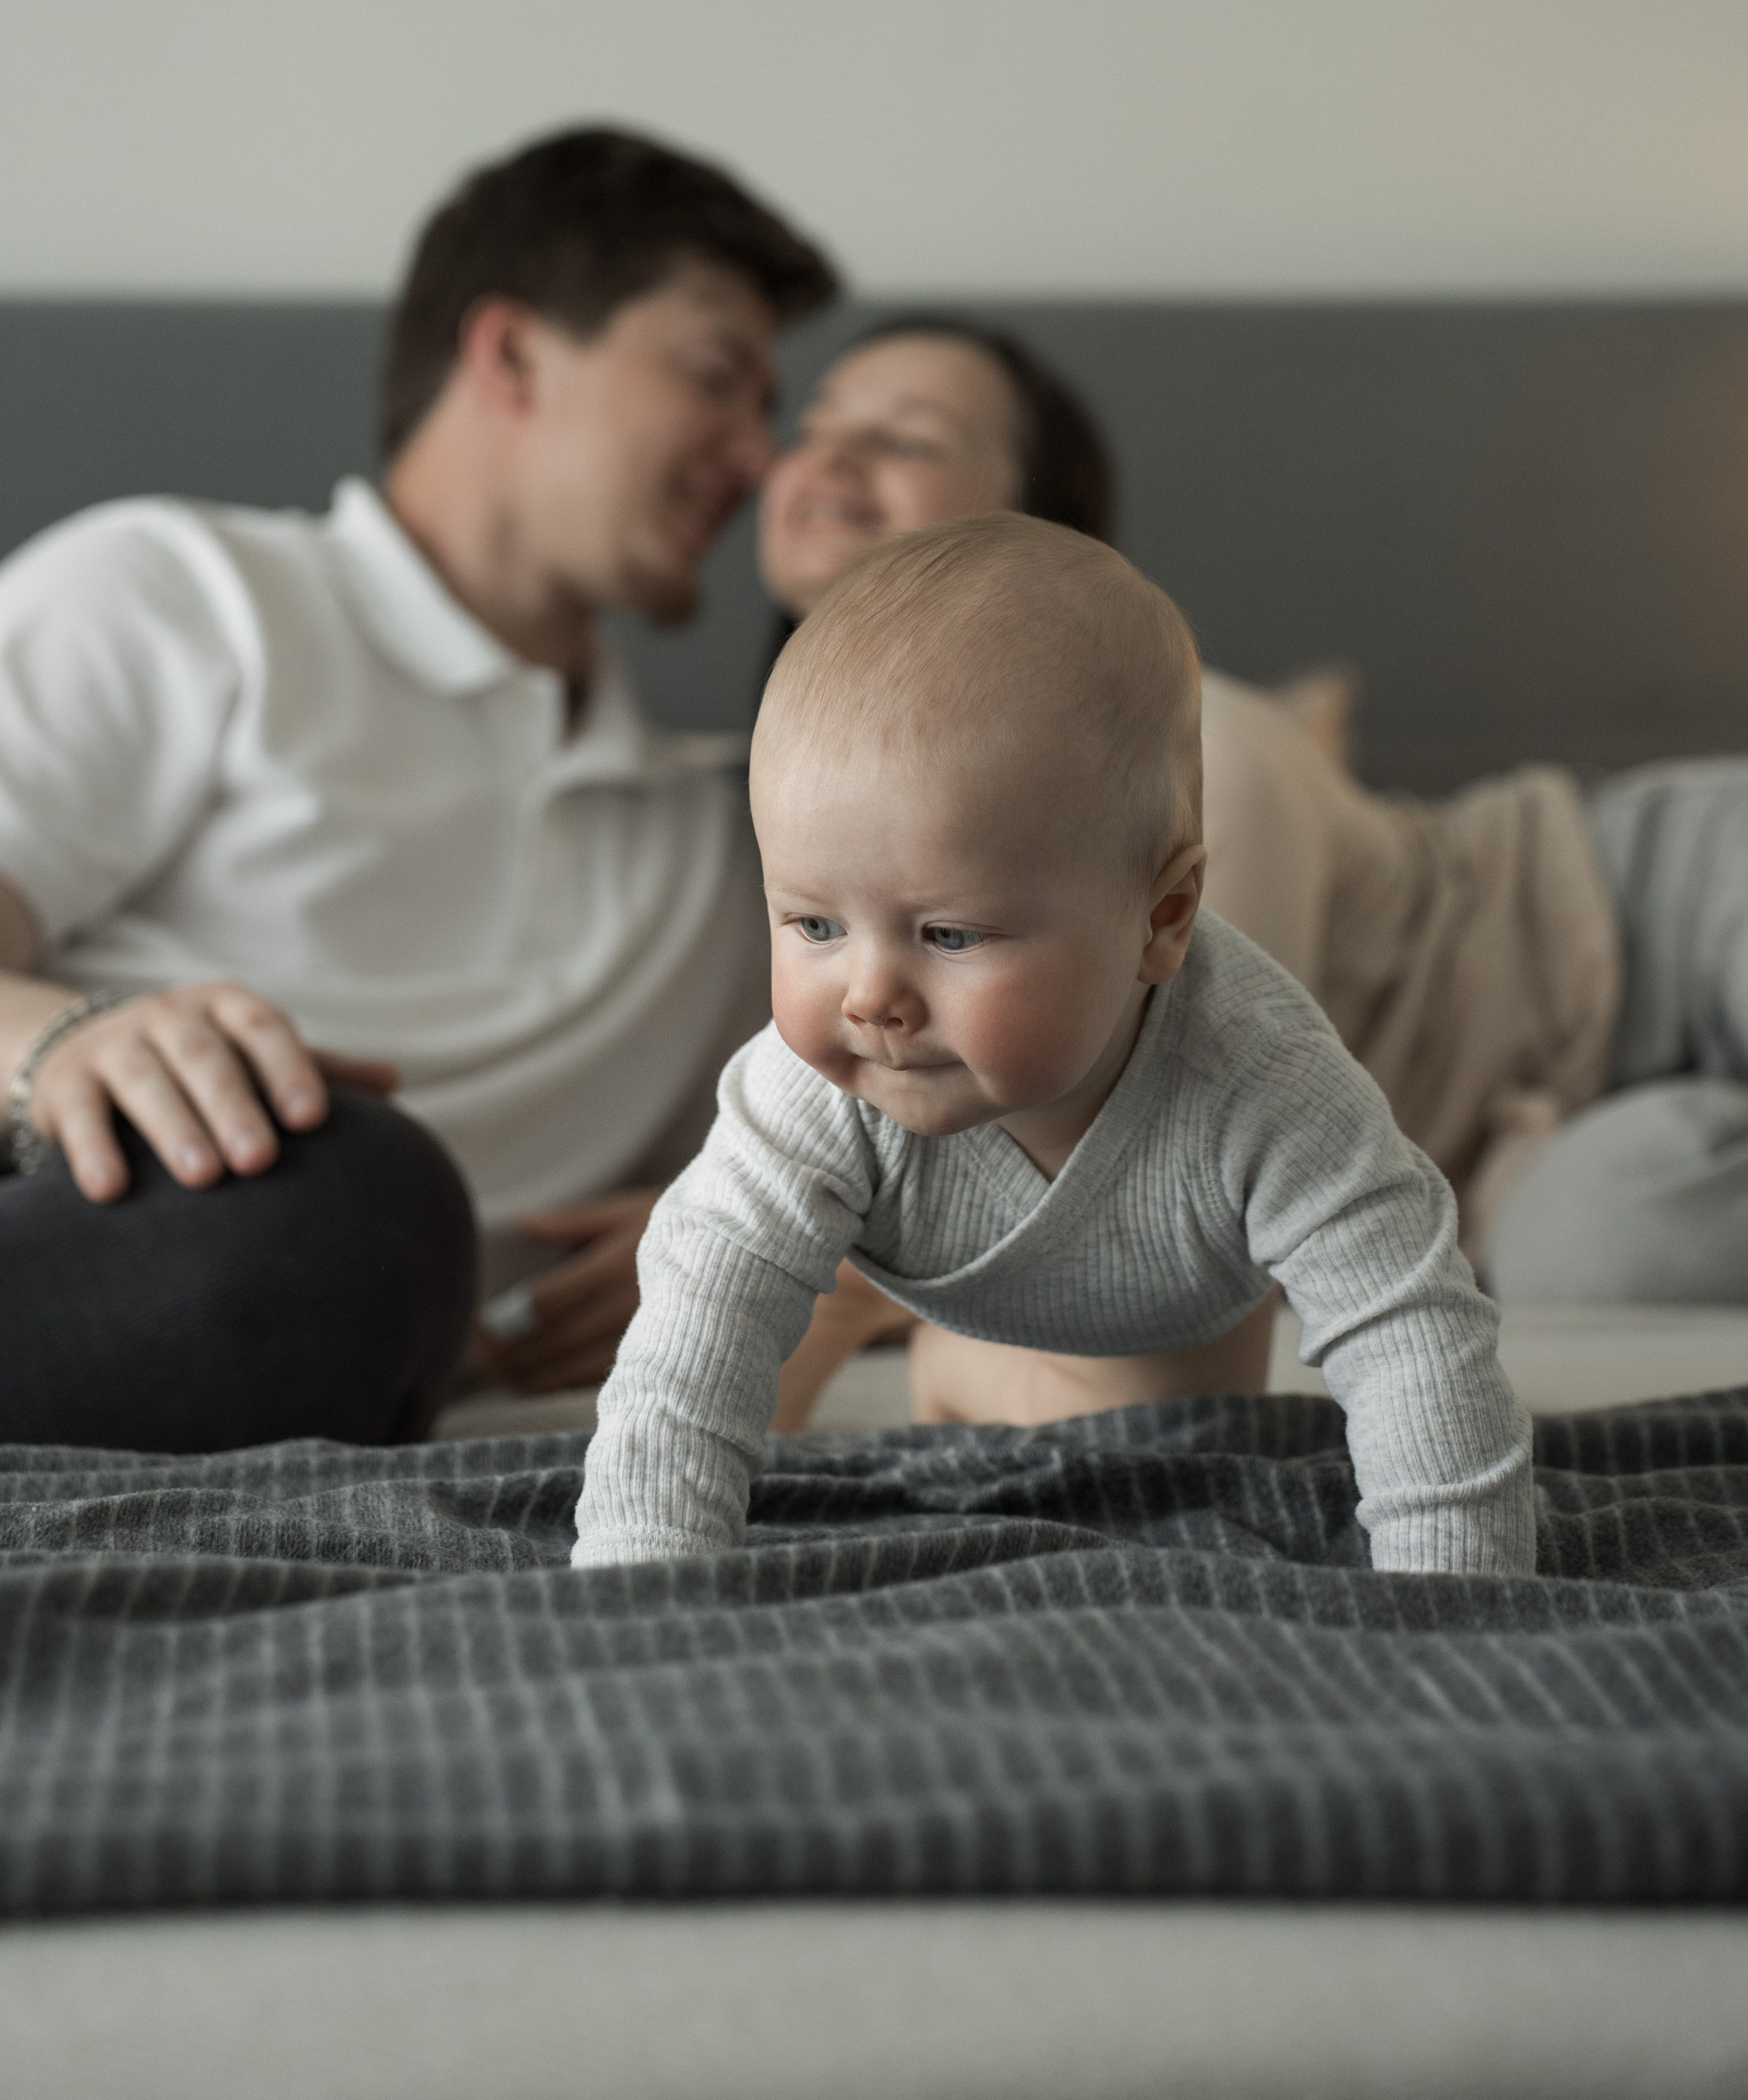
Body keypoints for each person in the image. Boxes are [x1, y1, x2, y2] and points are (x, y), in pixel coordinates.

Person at [0, 126, 836, 1449]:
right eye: (716, 379)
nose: (757, 456)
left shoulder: (737, 848)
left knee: (354, 1202)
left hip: (293, 1290)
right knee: (353, 1191)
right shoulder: (190, 592)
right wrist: (62, 1044)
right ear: (512, 354)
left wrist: (740, 1227)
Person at [756, 316, 1748, 1434]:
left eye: (905, 436)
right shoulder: (809, 858)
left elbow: (1160, 1155)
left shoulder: (1179, 769)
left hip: (1652, 902)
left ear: (1044, 530)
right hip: (1522, 1151)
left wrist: (817, 1249)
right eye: (816, 425)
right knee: (1606, 1250)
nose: (832, 458)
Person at [574, 518, 1533, 1574]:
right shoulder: (811, 1091)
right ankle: (904, 1329)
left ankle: (959, 1373)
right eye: (813, 925)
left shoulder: (1262, 1081)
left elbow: (1413, 1331)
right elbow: (687, 1348)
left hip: (1178, 1266)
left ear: (1161, 921)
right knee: (749, 1342)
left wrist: (1462, 1595)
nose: (871, 997)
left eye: (948, 934)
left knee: (1181, 1451)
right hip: (897, 1231)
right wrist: (641, 1577)